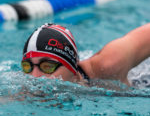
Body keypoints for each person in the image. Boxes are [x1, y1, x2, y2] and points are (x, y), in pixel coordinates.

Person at [21, 23, 150, 86]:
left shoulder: (109, 64)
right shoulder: (24, 88)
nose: (35, 77)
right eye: (28, 67)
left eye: (47, 67)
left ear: (71, 67)